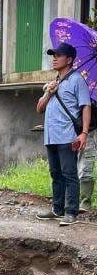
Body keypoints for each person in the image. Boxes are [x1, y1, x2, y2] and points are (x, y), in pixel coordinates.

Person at [36, 42, 92, 226]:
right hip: (51, 135)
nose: (54, 58)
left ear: (69, 59)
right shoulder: (55, 82)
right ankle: (57, 209)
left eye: (58, 55)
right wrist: (49, 93)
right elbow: (39, 109)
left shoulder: (77, 80)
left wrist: (83, 133)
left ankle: (71, 212)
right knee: (55, 173)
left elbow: (85, 106)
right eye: (53, 55)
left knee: (69, 173)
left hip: (68, 135)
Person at [78, 130, 96, 212]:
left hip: (89, 130)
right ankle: (83, 201)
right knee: (84, 166)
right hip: (86, 130)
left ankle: (85, 202)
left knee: (86, 165)